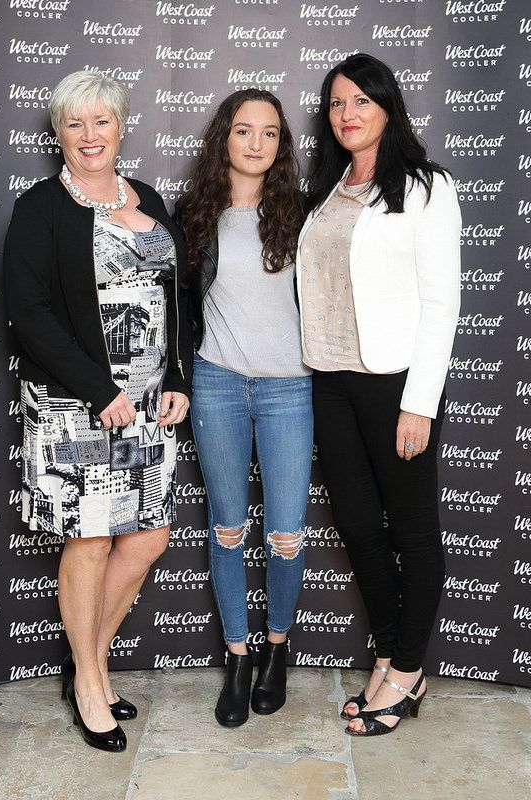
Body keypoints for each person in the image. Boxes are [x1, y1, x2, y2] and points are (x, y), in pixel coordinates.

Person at [4, 71, 192, 751]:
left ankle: (89, 658)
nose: (90, 136)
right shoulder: (40, 209)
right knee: (88, 540)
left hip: (147, 407)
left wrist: (175, 374)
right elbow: (30, 316)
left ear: (121, 127)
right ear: (57, 133)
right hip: (73, 406)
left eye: (102, 122)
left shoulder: (148, 197)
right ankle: (90, 684)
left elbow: (174, 299)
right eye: (75, 124)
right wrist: (99, 390)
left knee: (145, 538)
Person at [300, 53, 461, 736]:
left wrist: (419, 402)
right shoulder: (328, 188)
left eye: (362, 100)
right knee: (360, 528)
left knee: (414, 533)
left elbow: (441, 300)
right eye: (337, 103)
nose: (349, 113)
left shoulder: (427, 188)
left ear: (388, 107)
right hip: (329, 382)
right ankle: (392, 653)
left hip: (396, 385)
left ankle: (405, 669)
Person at [176, 89, 313, 727]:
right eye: (242, 130)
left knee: (284, 534)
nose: (255, 142)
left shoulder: (305, 215)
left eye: (268, 132)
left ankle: (276, 651)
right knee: (227, 528)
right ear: (223, 141)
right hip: (218, 386)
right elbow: (177, 313)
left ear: (281, 144)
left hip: (291, 388)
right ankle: (236, 656)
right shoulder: (195, 216)